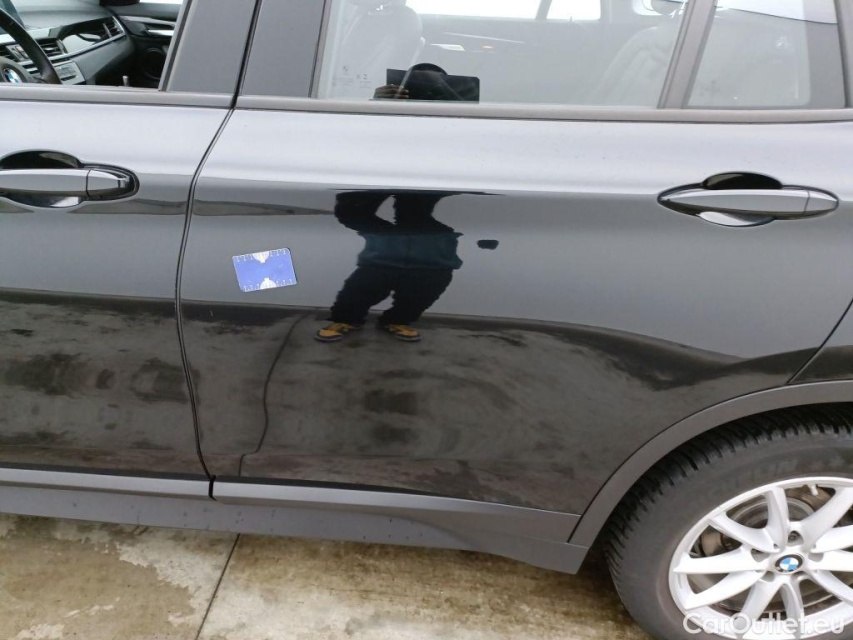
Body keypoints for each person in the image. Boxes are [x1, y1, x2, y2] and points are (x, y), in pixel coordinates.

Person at [316, 191, 462, 343]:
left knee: (423, 286)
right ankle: (347, 319)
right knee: (365, 284)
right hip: (391, 257)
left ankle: (397, 320)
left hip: (430, 261)